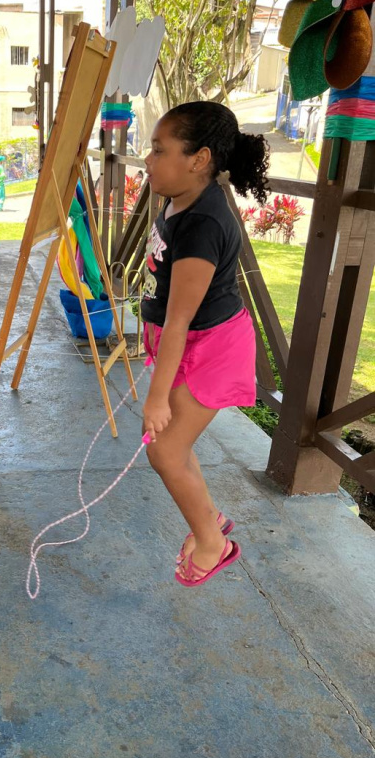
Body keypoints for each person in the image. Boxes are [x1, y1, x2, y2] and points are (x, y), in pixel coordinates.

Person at [141, 101, 268, 587]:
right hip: (189, 342)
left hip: (211, 349)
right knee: (175, 445)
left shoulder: (204, 225)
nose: (148, 160)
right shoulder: (179, 197)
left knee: (164, 452)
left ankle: (214, 544)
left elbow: (180, 321)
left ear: (199, 159)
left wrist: (156, 396)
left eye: (159, 150)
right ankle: (208, 518)